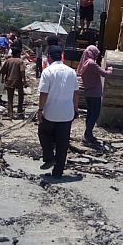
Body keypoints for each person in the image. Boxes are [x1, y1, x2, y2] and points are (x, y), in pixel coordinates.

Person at [37, 46, 78, 178]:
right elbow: (76, 93)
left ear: (48, 57)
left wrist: (40, 110)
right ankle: (58, 172)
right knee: (63, 142)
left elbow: (43, 93)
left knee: (43, 132)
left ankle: (49, 157)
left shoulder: (47, 71)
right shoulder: (71, 72)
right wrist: (76, 109)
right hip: (67, 113)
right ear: (61, 56)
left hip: (51, 112)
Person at [76, 45, 113, 144]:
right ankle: (88, 135)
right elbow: (104, 74)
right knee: (94, 115)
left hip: (88, 93)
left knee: (90, 114)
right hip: (95, 94)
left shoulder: (85, 63)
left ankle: (88, 134)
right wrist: (110, 69)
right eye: (96, 54)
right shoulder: (92, 64)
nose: (97, 56)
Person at [1, 47, 26, 118]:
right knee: (21, 95)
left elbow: (3, 71)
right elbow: (22, 71)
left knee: (10, 98)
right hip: (18, 81)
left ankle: (10, 113)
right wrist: (24, 81)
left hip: (9, 81)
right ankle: (20, 110)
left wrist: (3, 79)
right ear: (18, 54)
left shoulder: (8, 61)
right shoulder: (20, 61)